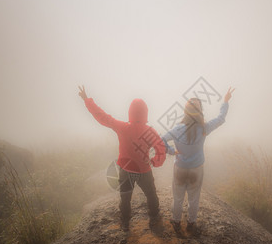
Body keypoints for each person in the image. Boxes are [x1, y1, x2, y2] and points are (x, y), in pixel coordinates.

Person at [78, 85, 166, 232]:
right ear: (145, 113)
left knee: (125, 198)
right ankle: (154, 217)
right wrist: (154, 161)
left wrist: (87, 100)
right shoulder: (149, 131)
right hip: (144, 170)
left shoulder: (122, 127)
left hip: (126, 170)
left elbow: (103, 117)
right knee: (151, 195)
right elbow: (161, 149)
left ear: (130, 112)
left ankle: (125, 222)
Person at [162, 87, 235, 235]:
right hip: (196, 169)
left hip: (180, 168)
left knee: (178, 198)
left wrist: (171, 151)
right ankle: (191, 223)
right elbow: (221, 118)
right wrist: (225, 101)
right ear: (200, 112)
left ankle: (176, 222)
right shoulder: (204, 128)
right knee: (194, 198)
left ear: (186, 112)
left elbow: (160, 140)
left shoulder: (177, 129)